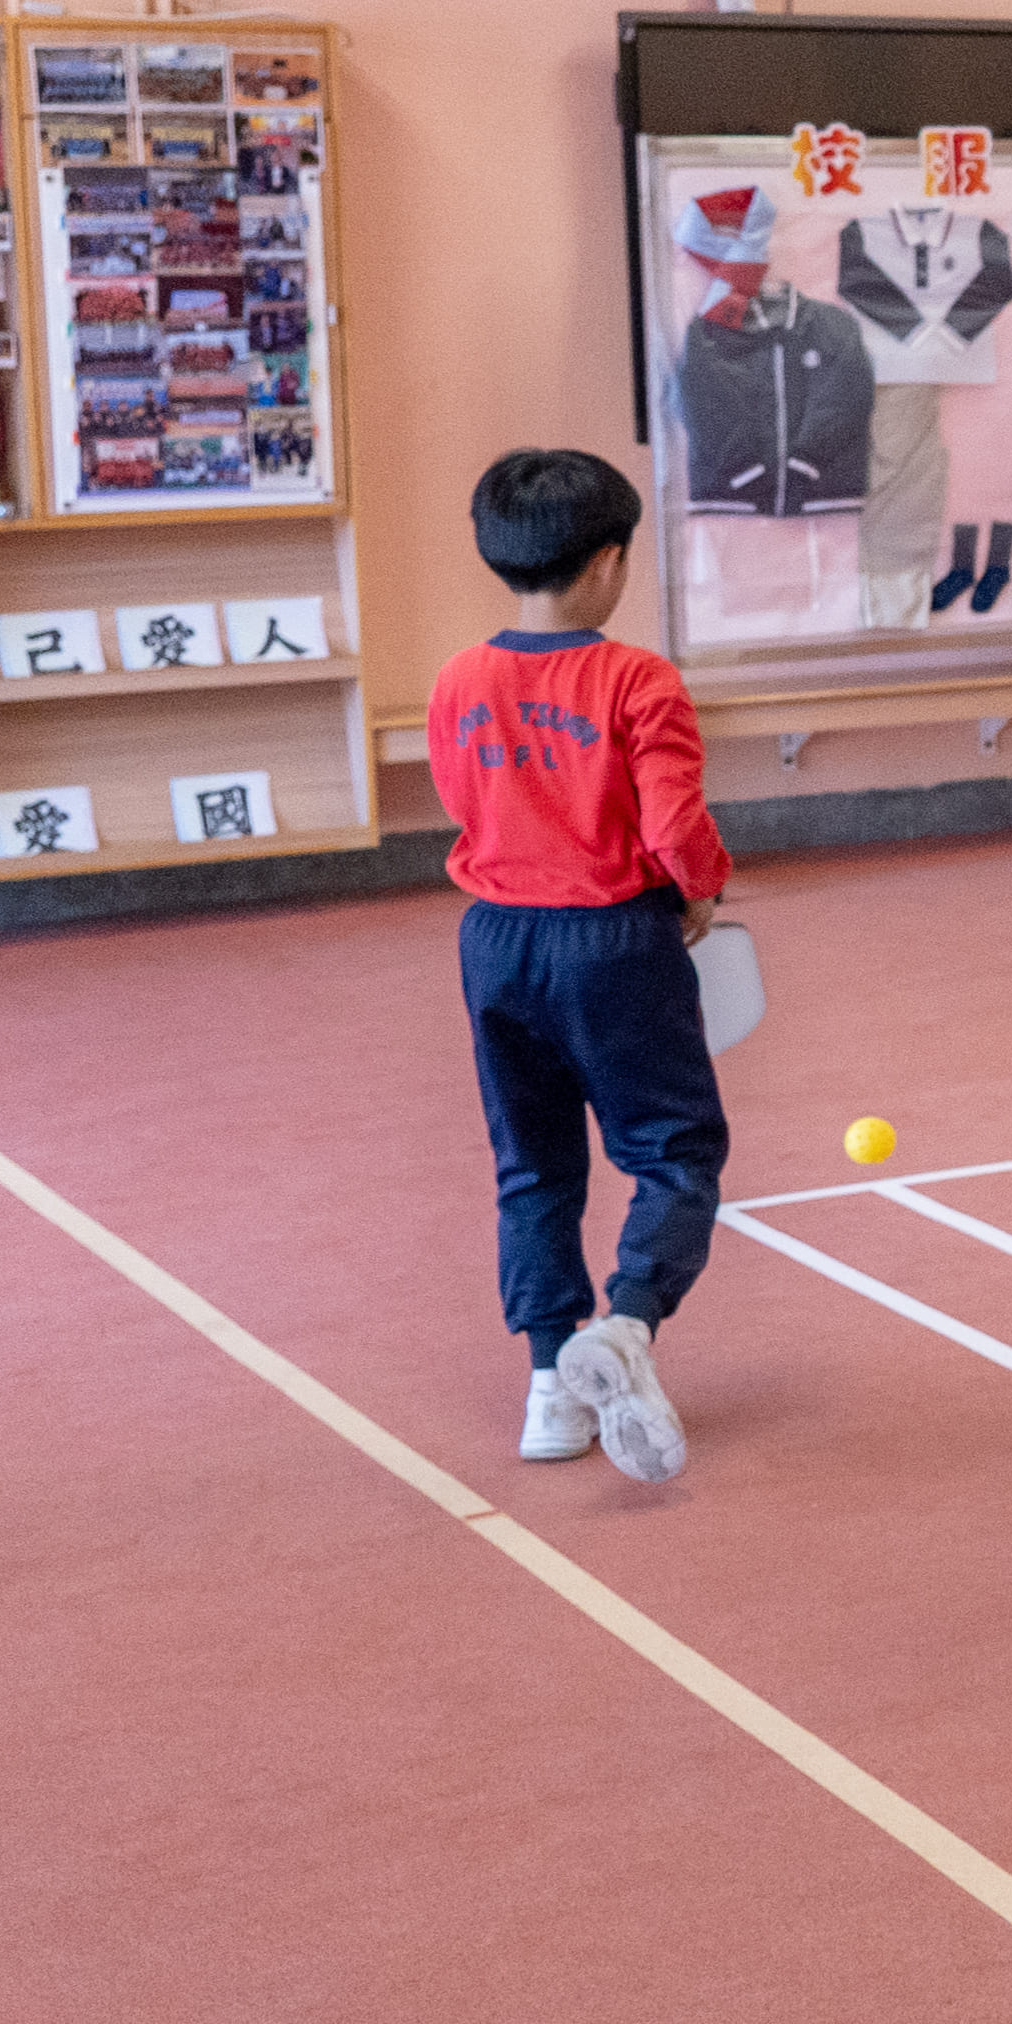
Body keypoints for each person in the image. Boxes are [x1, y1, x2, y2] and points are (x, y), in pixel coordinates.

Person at [429, 449, 735, 1484]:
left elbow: (462, 797)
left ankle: (550, 1390)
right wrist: (700, 888)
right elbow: (675, 823)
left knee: (532, 1165)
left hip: (496, 939)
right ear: (609, 561)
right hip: (613, 939)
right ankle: (628, 1322)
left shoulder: (460, 679)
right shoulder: (638, 679)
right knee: (677, 1149)